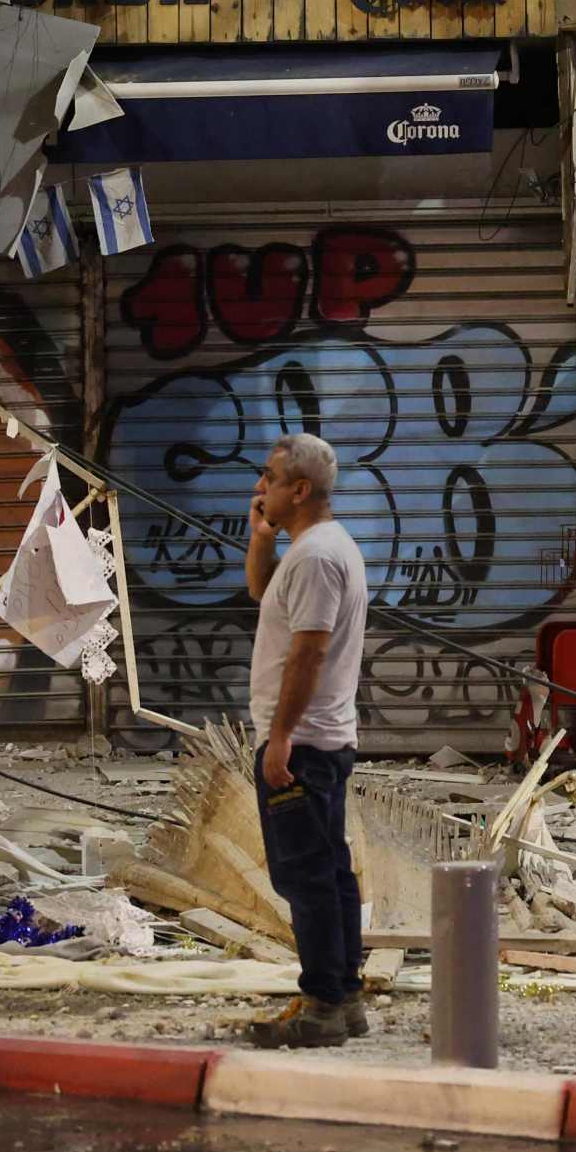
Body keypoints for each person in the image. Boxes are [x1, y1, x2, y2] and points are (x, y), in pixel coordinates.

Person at [242, 433, 370, 1049]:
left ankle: (321, 1007)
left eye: (269, 477)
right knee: (330, 870)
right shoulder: (311, 550)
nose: (259, 486)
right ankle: (344, 998)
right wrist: (261, 537)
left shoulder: (318, 557)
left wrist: (280, 737)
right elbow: (261, 592)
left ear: (299, 489)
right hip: (318, 741)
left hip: (305, 746)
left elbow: (309, 652)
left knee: (307, 877)